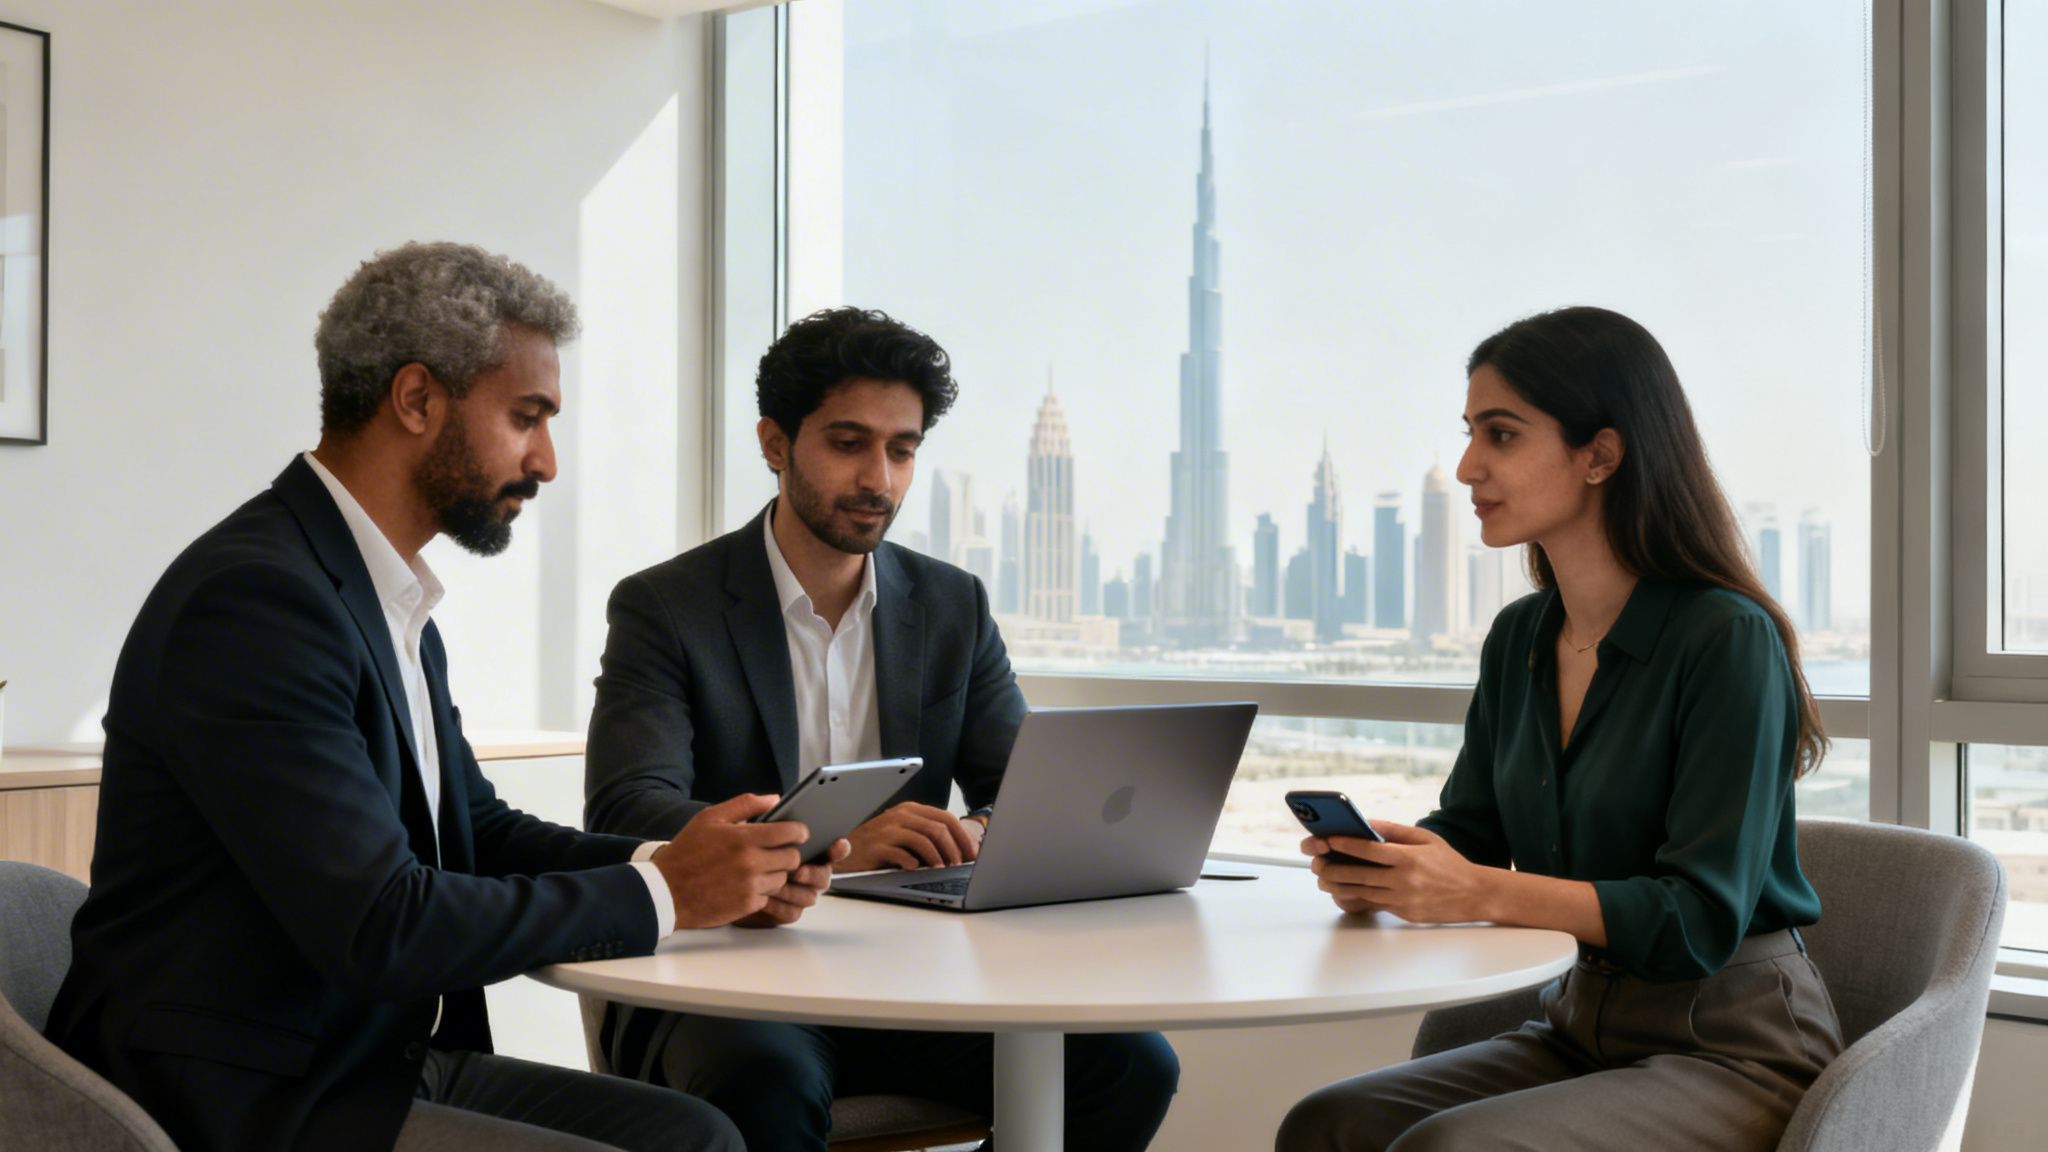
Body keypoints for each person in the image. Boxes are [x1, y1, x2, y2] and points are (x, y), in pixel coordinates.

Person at [46, 242, 840, 1152]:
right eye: (527, 416)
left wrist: (697, 860)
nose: (546, 461)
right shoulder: (258, 603)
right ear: (417, 399)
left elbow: (475, 832)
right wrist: (666, 892)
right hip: (250, 1097)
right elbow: (383, 923)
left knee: (700, 1136)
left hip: (367, 1059)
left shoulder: (382, 594)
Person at [583, 305, 1180, 1150]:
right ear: (774, 443)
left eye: (902, 450)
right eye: (848, 442)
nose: (880, 478)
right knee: (767, 1083)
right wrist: (839, 847)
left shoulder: (950, 605)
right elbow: (627, 808)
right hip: (724, 981)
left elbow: (1024, 791)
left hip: (908, 977)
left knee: (1131, 1064)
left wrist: (973, 832)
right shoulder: (665, 607)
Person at [1275, 306, 1844, 1152]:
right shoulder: (1521, 638)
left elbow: (1697, 920)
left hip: (1734, 1047)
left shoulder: (1725, 639)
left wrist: (1474, 890)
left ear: (1600, 455)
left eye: (1501, 435)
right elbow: (1472, 831)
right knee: (1328, 1125)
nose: (1468, 466)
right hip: (1578, 1025)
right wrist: (1391, 863)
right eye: (1470, 434)